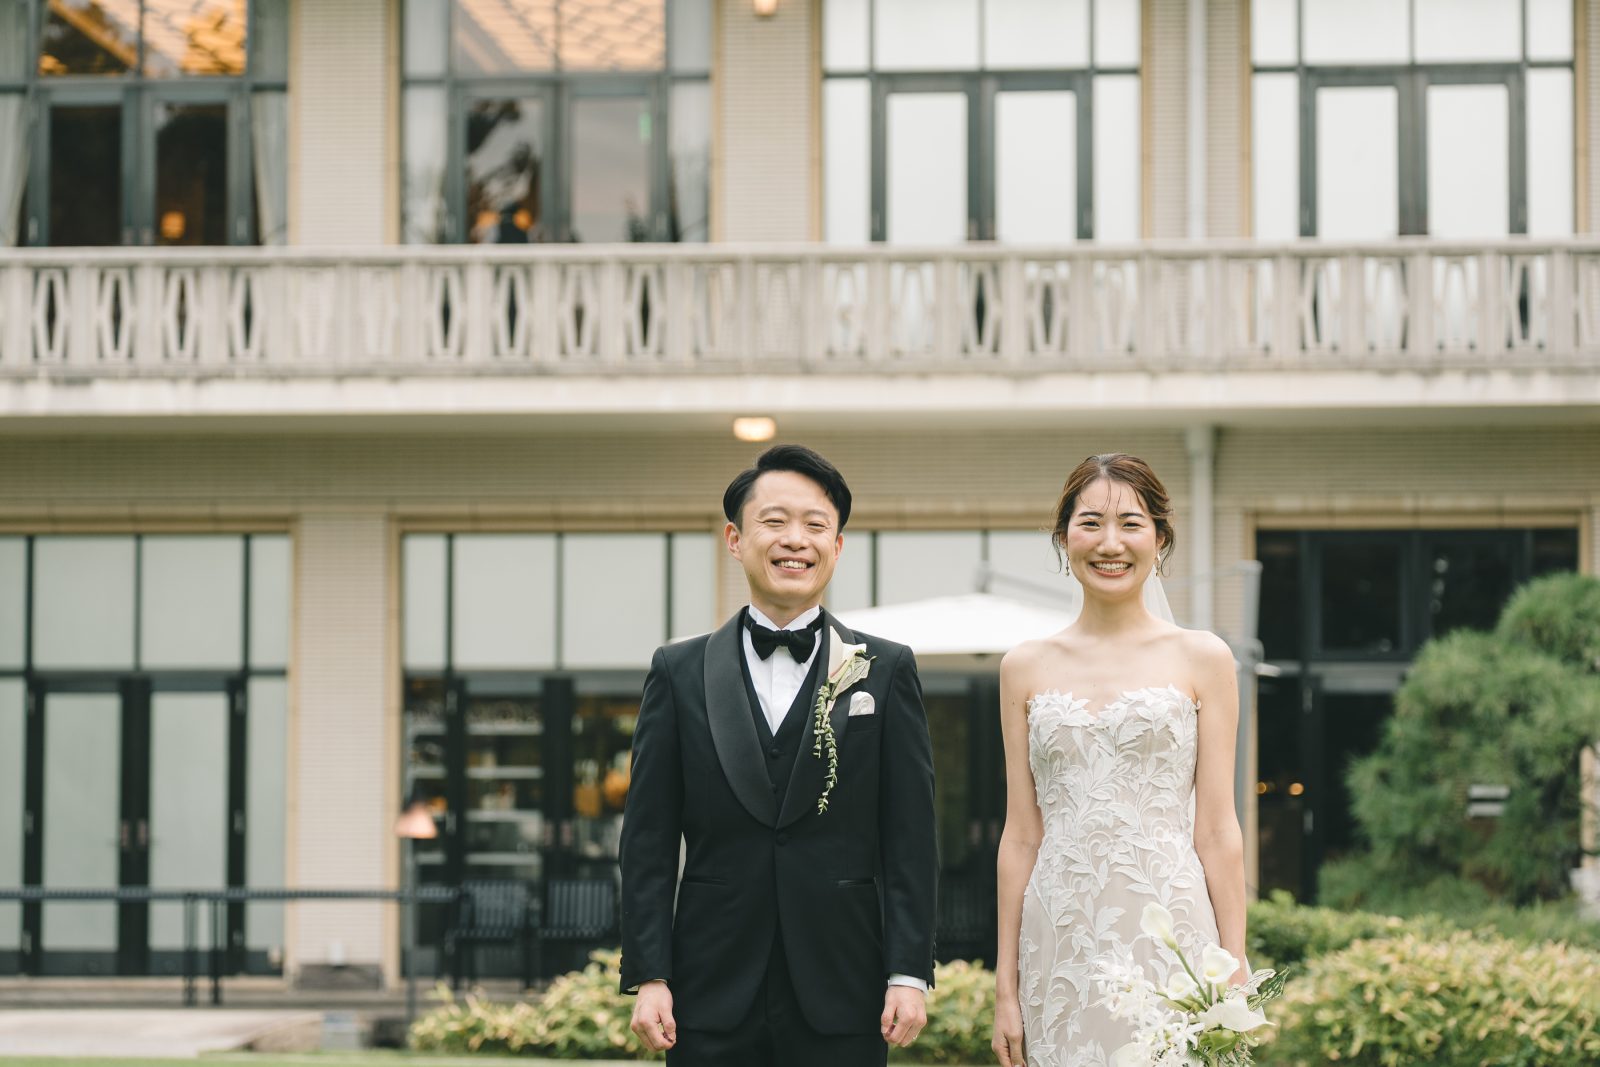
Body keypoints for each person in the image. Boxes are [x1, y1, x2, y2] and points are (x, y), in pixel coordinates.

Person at [620, 443, 938, 1067]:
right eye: (775, 521)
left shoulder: (885, 669)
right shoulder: (678, 671)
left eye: (816, 525)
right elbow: (648, 838)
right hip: (708, 986)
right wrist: (650, 974)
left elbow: (911, 836)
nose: (796, 540)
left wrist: (907, 972)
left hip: (845, 980)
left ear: (837, 546)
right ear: (735, 539)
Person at [991, 453, 1248, 1067]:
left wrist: (1235, 965)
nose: (1110, 543)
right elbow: (1021, 835)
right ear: (1063, 539)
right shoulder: (1022, 667)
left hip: (1171, 932)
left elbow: (1217, 829)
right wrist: (1005, 986)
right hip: (1059, 938)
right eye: (1090, 523)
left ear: (1160, 538)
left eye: (1130, 523)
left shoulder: (1204, 658)